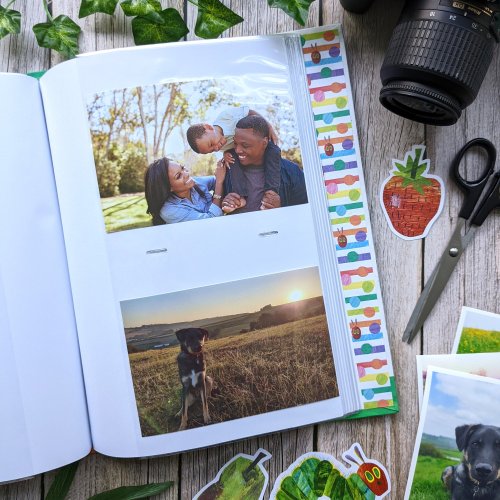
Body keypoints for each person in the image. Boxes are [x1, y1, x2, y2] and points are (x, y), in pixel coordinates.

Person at [186, 106, 281, 204]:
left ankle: (271, 191)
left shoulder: (225, 117)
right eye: (212, 150)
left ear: (208, 127)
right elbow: (231, 149)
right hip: (244, 151)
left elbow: (250, 112)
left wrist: (268, 126)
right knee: (231, 161)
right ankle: (240, 196)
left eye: (211, 144)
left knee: (274, 151)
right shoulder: (220, 145)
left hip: (258, 140)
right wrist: (226, 154)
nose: (216, 148)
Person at [221, 115, 308, 214]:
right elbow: (215, 210)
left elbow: (307, 211)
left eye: (245, 145)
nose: (237, 150)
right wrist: (226, 202)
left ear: (265, 142)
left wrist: (281, 206)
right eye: (235, 144)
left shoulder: (292, 172)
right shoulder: (228, 169)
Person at [144, 157, 242, 225]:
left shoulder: (195, 183)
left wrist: (225, 160)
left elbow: (220, 179)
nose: (186, 174)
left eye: (182, 168)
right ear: (169, 188)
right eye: (178, 176)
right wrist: (219, 183)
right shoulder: (169, 211)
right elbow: (210, 221)